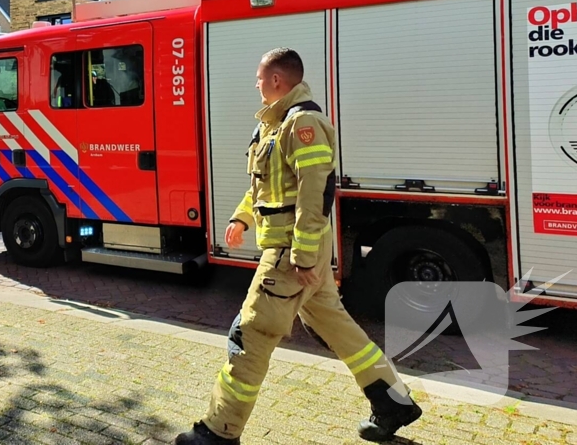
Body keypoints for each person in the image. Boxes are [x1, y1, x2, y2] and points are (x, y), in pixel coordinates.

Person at [176, 48, 421, 445]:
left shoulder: (303, 123)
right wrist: (242, 217)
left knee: (251, 334)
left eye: (259, 78)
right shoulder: (273, 126)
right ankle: (394, 403)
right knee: (339, 329)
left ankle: (218, 433)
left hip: (290, 252)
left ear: (276, 80)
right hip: (294, 250)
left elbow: (315, 194)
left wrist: (303, 257)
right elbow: (264, 189)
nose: (255, 84)